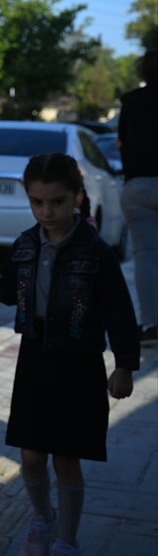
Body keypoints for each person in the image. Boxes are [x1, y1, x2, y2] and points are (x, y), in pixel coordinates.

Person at [0, 152, 139, 556]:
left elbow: (119, 310)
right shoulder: (26, 244)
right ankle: (41, 520)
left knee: (66, 460)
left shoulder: (95, 251)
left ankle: (67, 541)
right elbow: (8, 290)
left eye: (57, 202)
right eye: (37, 202)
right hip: (34, 361)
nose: (46, 212)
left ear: (78, 197)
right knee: (31, 457)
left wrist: (124, 365)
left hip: (79, 364)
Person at [118, 48, 157, 344]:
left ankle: (151, 325)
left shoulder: (131, 102)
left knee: (145, 256)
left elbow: (122, 142)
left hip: (138, 184)